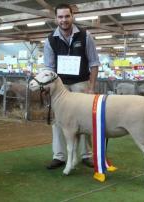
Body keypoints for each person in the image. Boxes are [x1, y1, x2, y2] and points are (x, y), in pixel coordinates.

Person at [44, 3, 100, 169]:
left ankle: (86, 155)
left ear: (72, 16)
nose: (64, 20)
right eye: (60, 17)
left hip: (80, 83)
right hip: (59, 87)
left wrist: (91, 87)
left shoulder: (85, 35)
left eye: (67, 16)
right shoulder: (50, 40)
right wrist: (49, 88)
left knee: (85, 119)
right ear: (56, 19)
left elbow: (94, 63)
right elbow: (49, 67)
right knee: (58, 121)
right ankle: (59, 156)